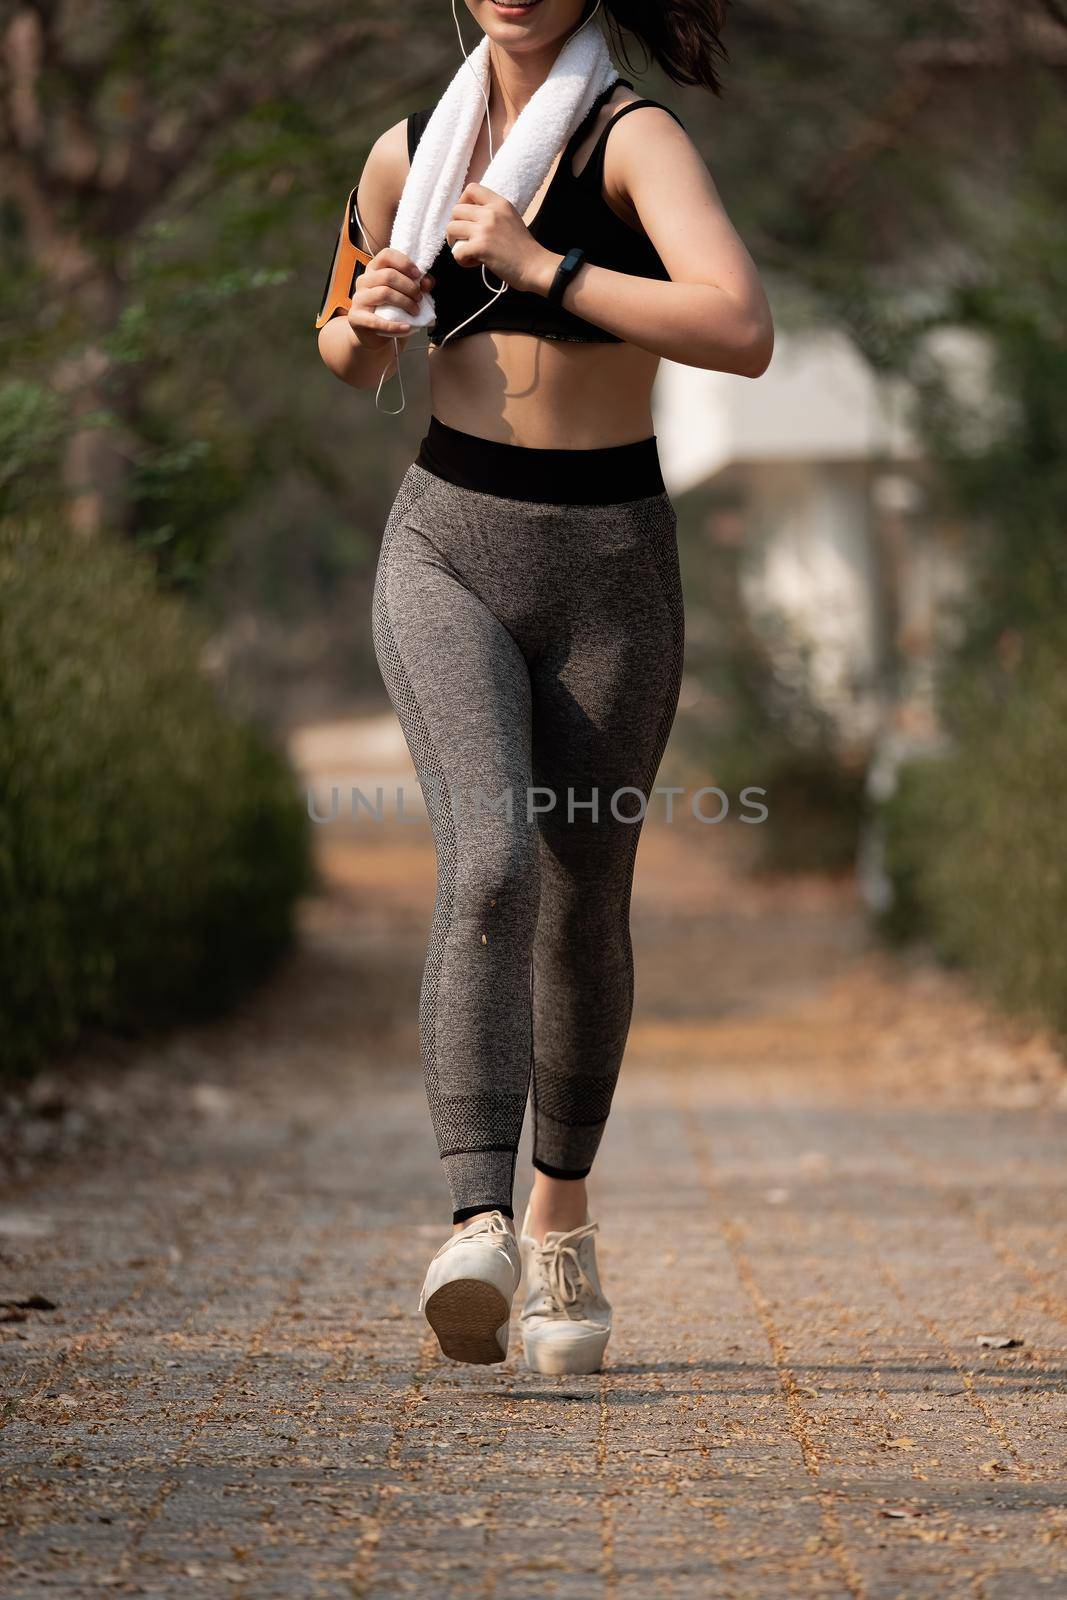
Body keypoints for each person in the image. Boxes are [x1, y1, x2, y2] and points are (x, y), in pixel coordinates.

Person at [317, 0, 772, 1374]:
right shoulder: (410, 151)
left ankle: (559, 1217)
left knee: (583, 893)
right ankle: (475, 1222)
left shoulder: (635, 143)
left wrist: (542, 264)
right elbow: (341, 339)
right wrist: (375, 316)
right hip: (447, 539)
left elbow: (741, 328)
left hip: (610, 565)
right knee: (492, 865)